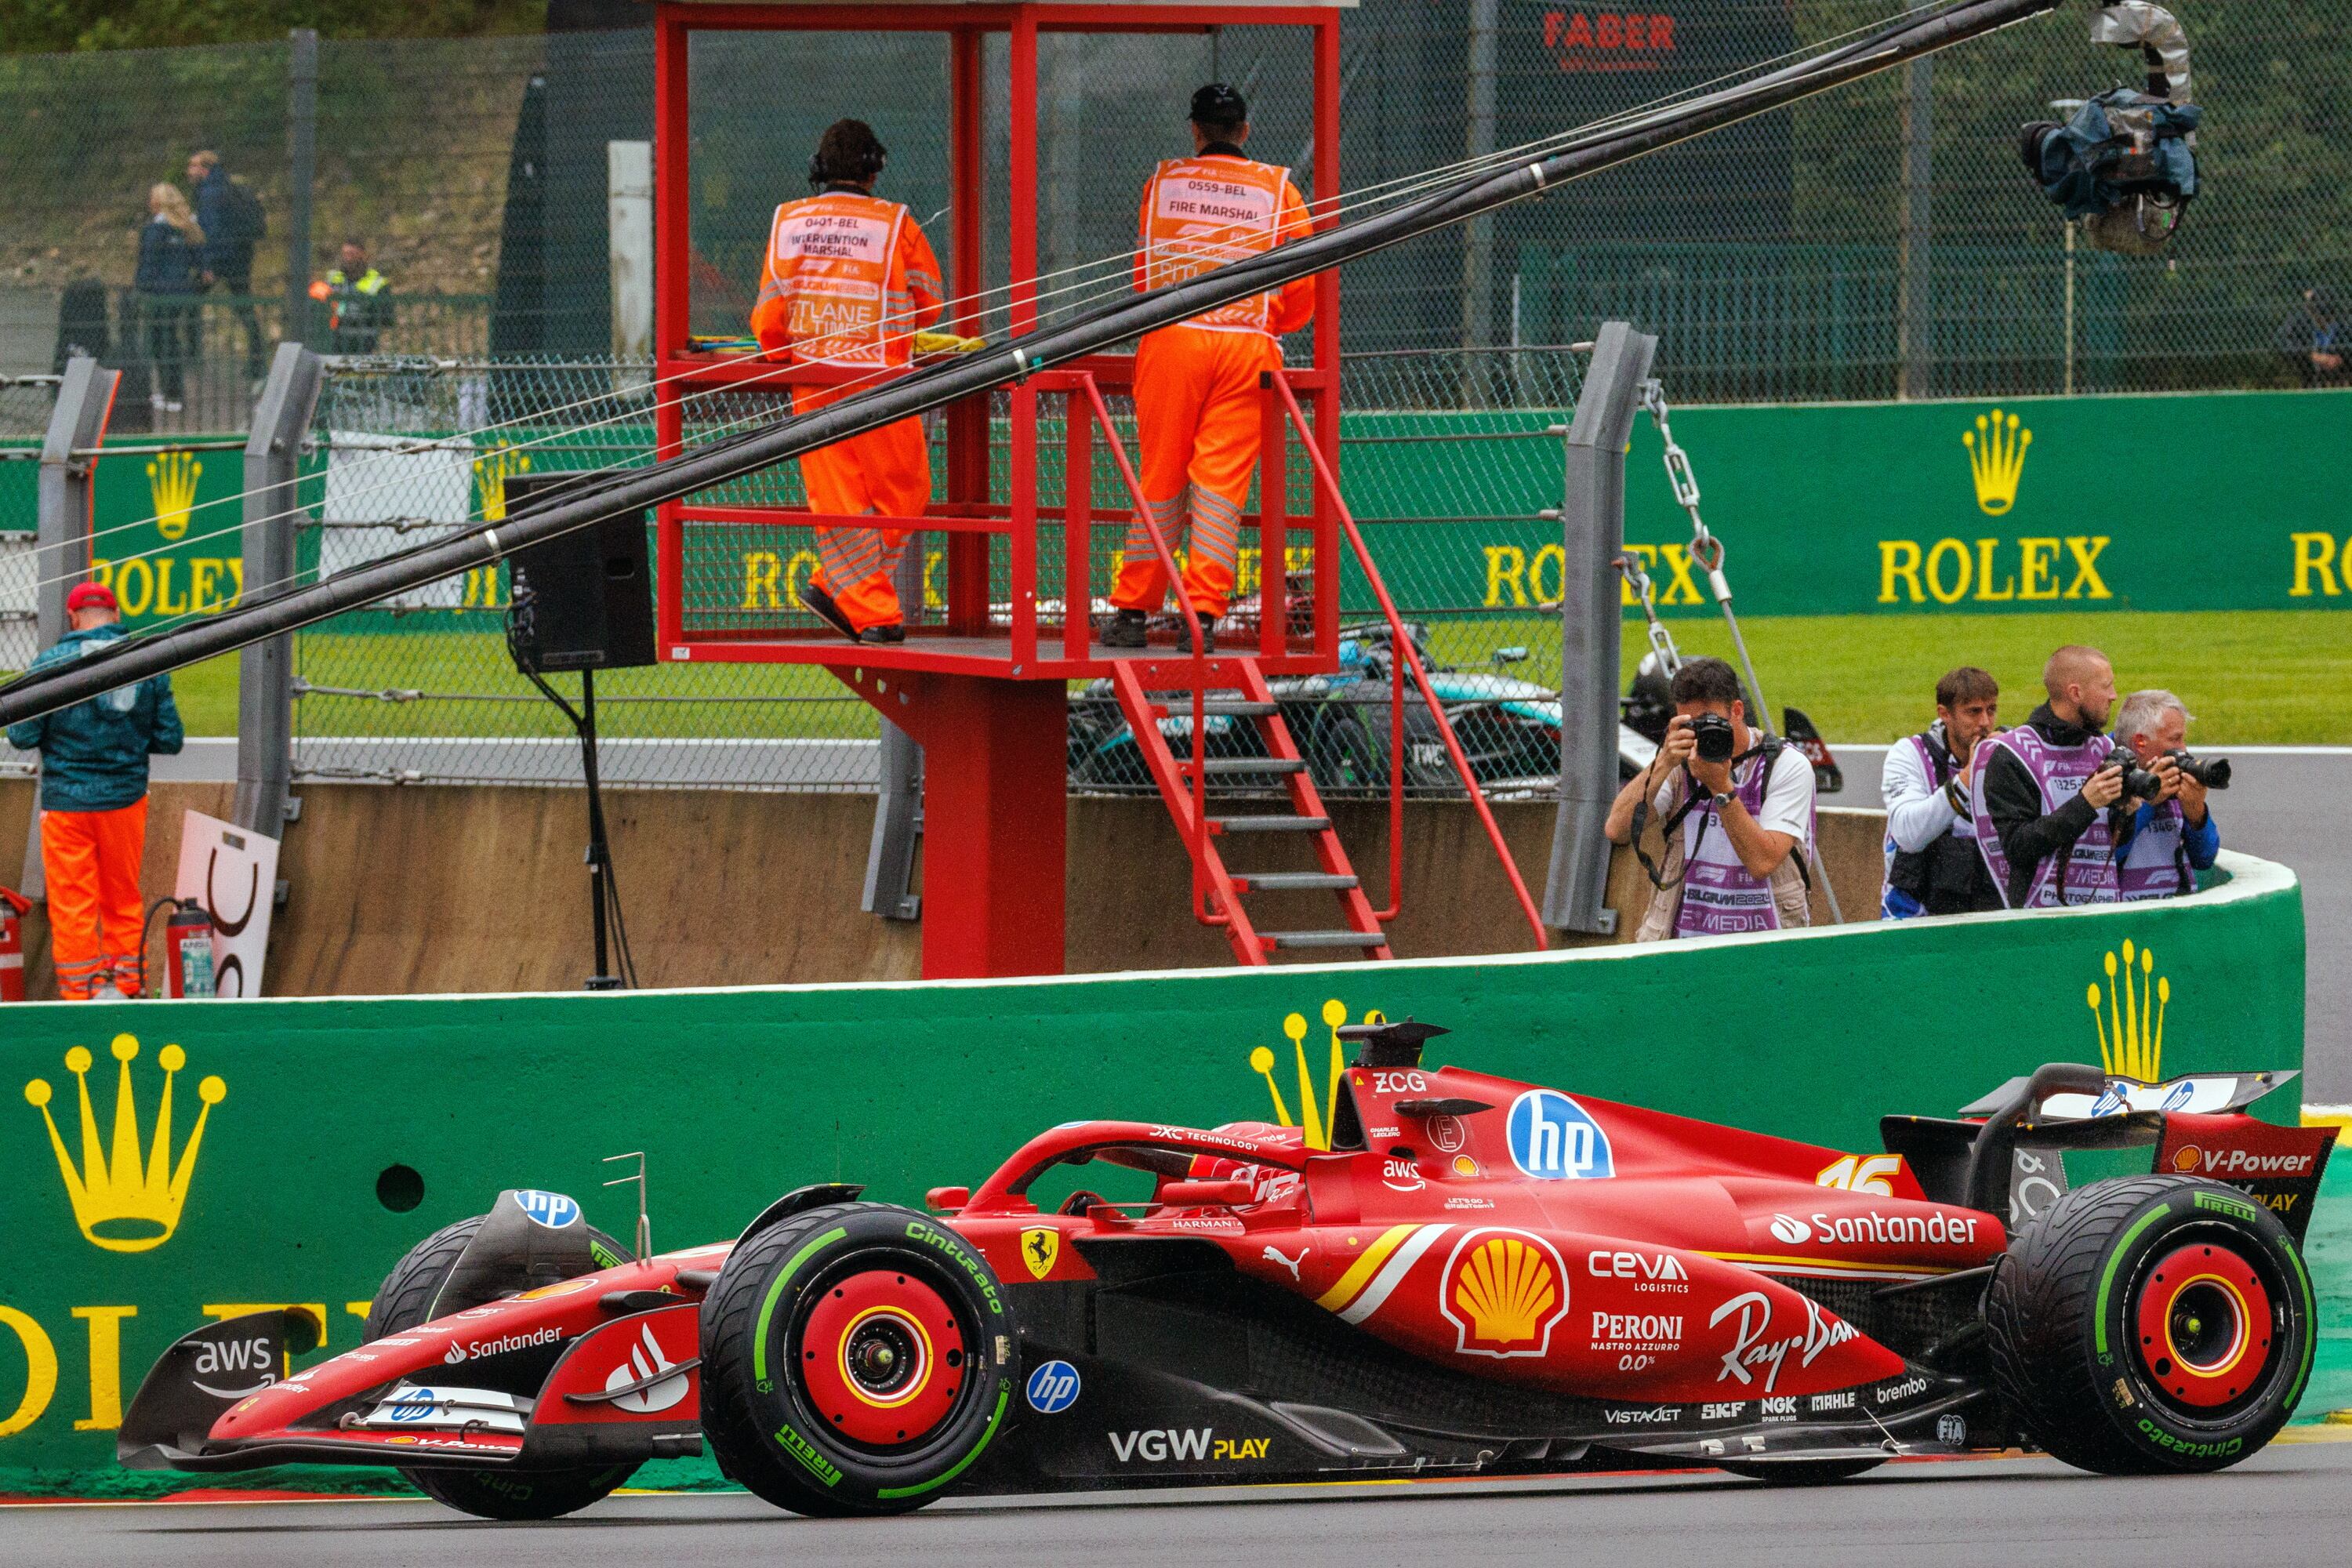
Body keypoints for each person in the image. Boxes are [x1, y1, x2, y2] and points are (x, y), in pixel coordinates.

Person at [1099, 83, 1315, 655]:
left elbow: (1144, 277)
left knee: (1162, 476)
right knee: (1221, 489)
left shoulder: (1162, 183)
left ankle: (1132, 613)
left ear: (1195, 131)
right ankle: (1202, 616)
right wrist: (1267, 322)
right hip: (1247, 346)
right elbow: (1303, 287)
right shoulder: (1280, 190)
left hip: (1172, 341)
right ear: (1245, 130)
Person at [750, 118, 945, 645]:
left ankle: (834, 584)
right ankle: (873, 612)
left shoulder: (788, 222)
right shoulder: (897, 224)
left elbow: (769, 316)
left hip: (813, 383)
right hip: (882, 383)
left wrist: (783, 355)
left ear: (819, 169)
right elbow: (931, 304)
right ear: (874, 168)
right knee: (907, 492)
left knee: (839, 503)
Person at [4, 583, 185, 1000]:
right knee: (123, 898)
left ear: (72, 618)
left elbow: (21, 733)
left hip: (66, 806)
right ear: (117, 614)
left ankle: (80, 991)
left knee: (72, 905)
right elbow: (170, 739)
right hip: (125, 802)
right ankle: (129, 986)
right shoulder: (148, 662)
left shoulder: (49, 664)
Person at [1605, 657, 1817, 940]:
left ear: (1738, 710)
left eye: (1709, 721)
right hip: (1683, 939)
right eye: (1689, 724)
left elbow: (1763, 862)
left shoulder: (1784, 765)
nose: (1700, 733)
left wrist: (1721, 787)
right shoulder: (1680, 764)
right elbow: (1617, 830)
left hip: (1767, 942)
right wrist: (1663, 762)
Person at [1972, 644, 2128, 908]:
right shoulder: (2013, 754)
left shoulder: (2104, 749)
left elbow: (2114, 843)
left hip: (2103, 913)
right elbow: (2018, 847)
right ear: (2075, 693)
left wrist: (2126, 812)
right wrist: (2085, 804)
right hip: (2041, 922)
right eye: (2106, 686)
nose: (2113, 696)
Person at [1881, 666, 2005, 919]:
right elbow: (1908, 834)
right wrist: (1968, 778)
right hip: (1913, 917)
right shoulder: (1910, 753)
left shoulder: (2005, 753)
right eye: (1973, 712)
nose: (1985, 722)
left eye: (1991, 710)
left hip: (1985, 915)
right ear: (1944, 714)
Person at [2111, 688, 2219, 900]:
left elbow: (2205, 858)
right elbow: (2102, 857)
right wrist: (2147, 802)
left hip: (2171, 919)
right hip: (2121, 922)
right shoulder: (2106, 776)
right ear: (2140, 743)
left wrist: (2197, 814)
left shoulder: (2173, 777)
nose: (2183, 749)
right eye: (2175, 739)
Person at [187, 151, 267, 385]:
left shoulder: (210, 193)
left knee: (189, 301)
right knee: (244, 308)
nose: (189, 172)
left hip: (221, 259)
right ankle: (258, 363)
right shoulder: (229, 187)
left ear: (204, 169)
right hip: (240, 258)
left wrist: (209, 265)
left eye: (193, 167)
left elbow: (212, 231)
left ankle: (192, 357)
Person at [135, 182, 205, 415]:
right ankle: (171, 391)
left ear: (157, 203)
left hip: (159, 294)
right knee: (170, 339)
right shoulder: (186, 229)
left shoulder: (155, 231)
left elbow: (148, 262)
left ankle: (171, 391)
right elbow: (198, 261)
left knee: (159, 342)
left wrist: (142, 285)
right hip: (181, 293)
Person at [311, 241, 393, 354]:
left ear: (363, 255)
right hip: (334, 336)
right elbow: (317, 305)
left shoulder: (378, 282)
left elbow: (387, 318)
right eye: (345, 254)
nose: (348, 259)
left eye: (352, 254)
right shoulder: (332, 278)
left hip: (363, 339)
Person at [2274, 285, 2346, 388]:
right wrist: (2314, 357)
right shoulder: (2298, 321)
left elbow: (2344, 344)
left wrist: (2339, 359)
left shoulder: (2339, 323)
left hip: (2331, 370)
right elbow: (2281, 343)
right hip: (2306, 367)